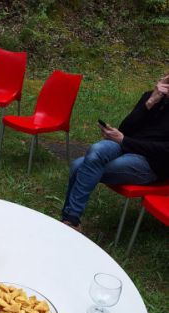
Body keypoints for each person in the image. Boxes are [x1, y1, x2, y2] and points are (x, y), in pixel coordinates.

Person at [61, 74, 169, 230]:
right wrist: (150, 102)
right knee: (97, 149)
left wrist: (124, 141)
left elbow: (164, 151)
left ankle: (70, 220)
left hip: (150, 163)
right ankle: (70, 220)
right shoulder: (152, 97)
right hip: (125, 145)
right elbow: (126, 128)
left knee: (79, 166)